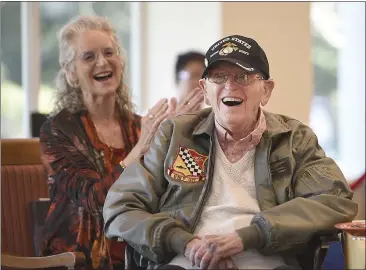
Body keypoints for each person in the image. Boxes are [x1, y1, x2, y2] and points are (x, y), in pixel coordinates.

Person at [103, 35, 358, 270]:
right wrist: (183, 242)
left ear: (266, 90)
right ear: (204, 89)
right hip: (184, 261)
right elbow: (120, 206)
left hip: (267, 261)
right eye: (219, 77)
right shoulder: (175, 135)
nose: (230, 86)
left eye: (244, 77)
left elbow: (335, 200)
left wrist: (247, 237)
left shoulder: (294, 138)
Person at [39, 15, 203, 270]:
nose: (102, 62)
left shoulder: (137, 125)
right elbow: (93, 200)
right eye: (88, 57)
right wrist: (142, 148)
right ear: (71, 74)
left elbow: (167, 193)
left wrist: (175, 137)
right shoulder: (58, 131)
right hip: (80, 259)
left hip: (140, 252)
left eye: (109, 52)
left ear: (120, 62)